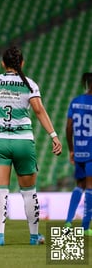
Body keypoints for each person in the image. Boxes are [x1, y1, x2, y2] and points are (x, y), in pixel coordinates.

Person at [0, 46, 62, 246]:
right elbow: (40, 111)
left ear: (3, 64)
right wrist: (54, 136)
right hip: (23, 141)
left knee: (0, 190)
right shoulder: (29, 84)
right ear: (22, 63)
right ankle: (34, 236)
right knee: (29, 191)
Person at [65, 72, 92, 236]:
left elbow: (69, 128)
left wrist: (71, 149)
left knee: (79, 186)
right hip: (91, 149)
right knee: (90, 187)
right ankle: (85, 227)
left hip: (79, 149)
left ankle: (68, 221)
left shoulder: (75, 102)